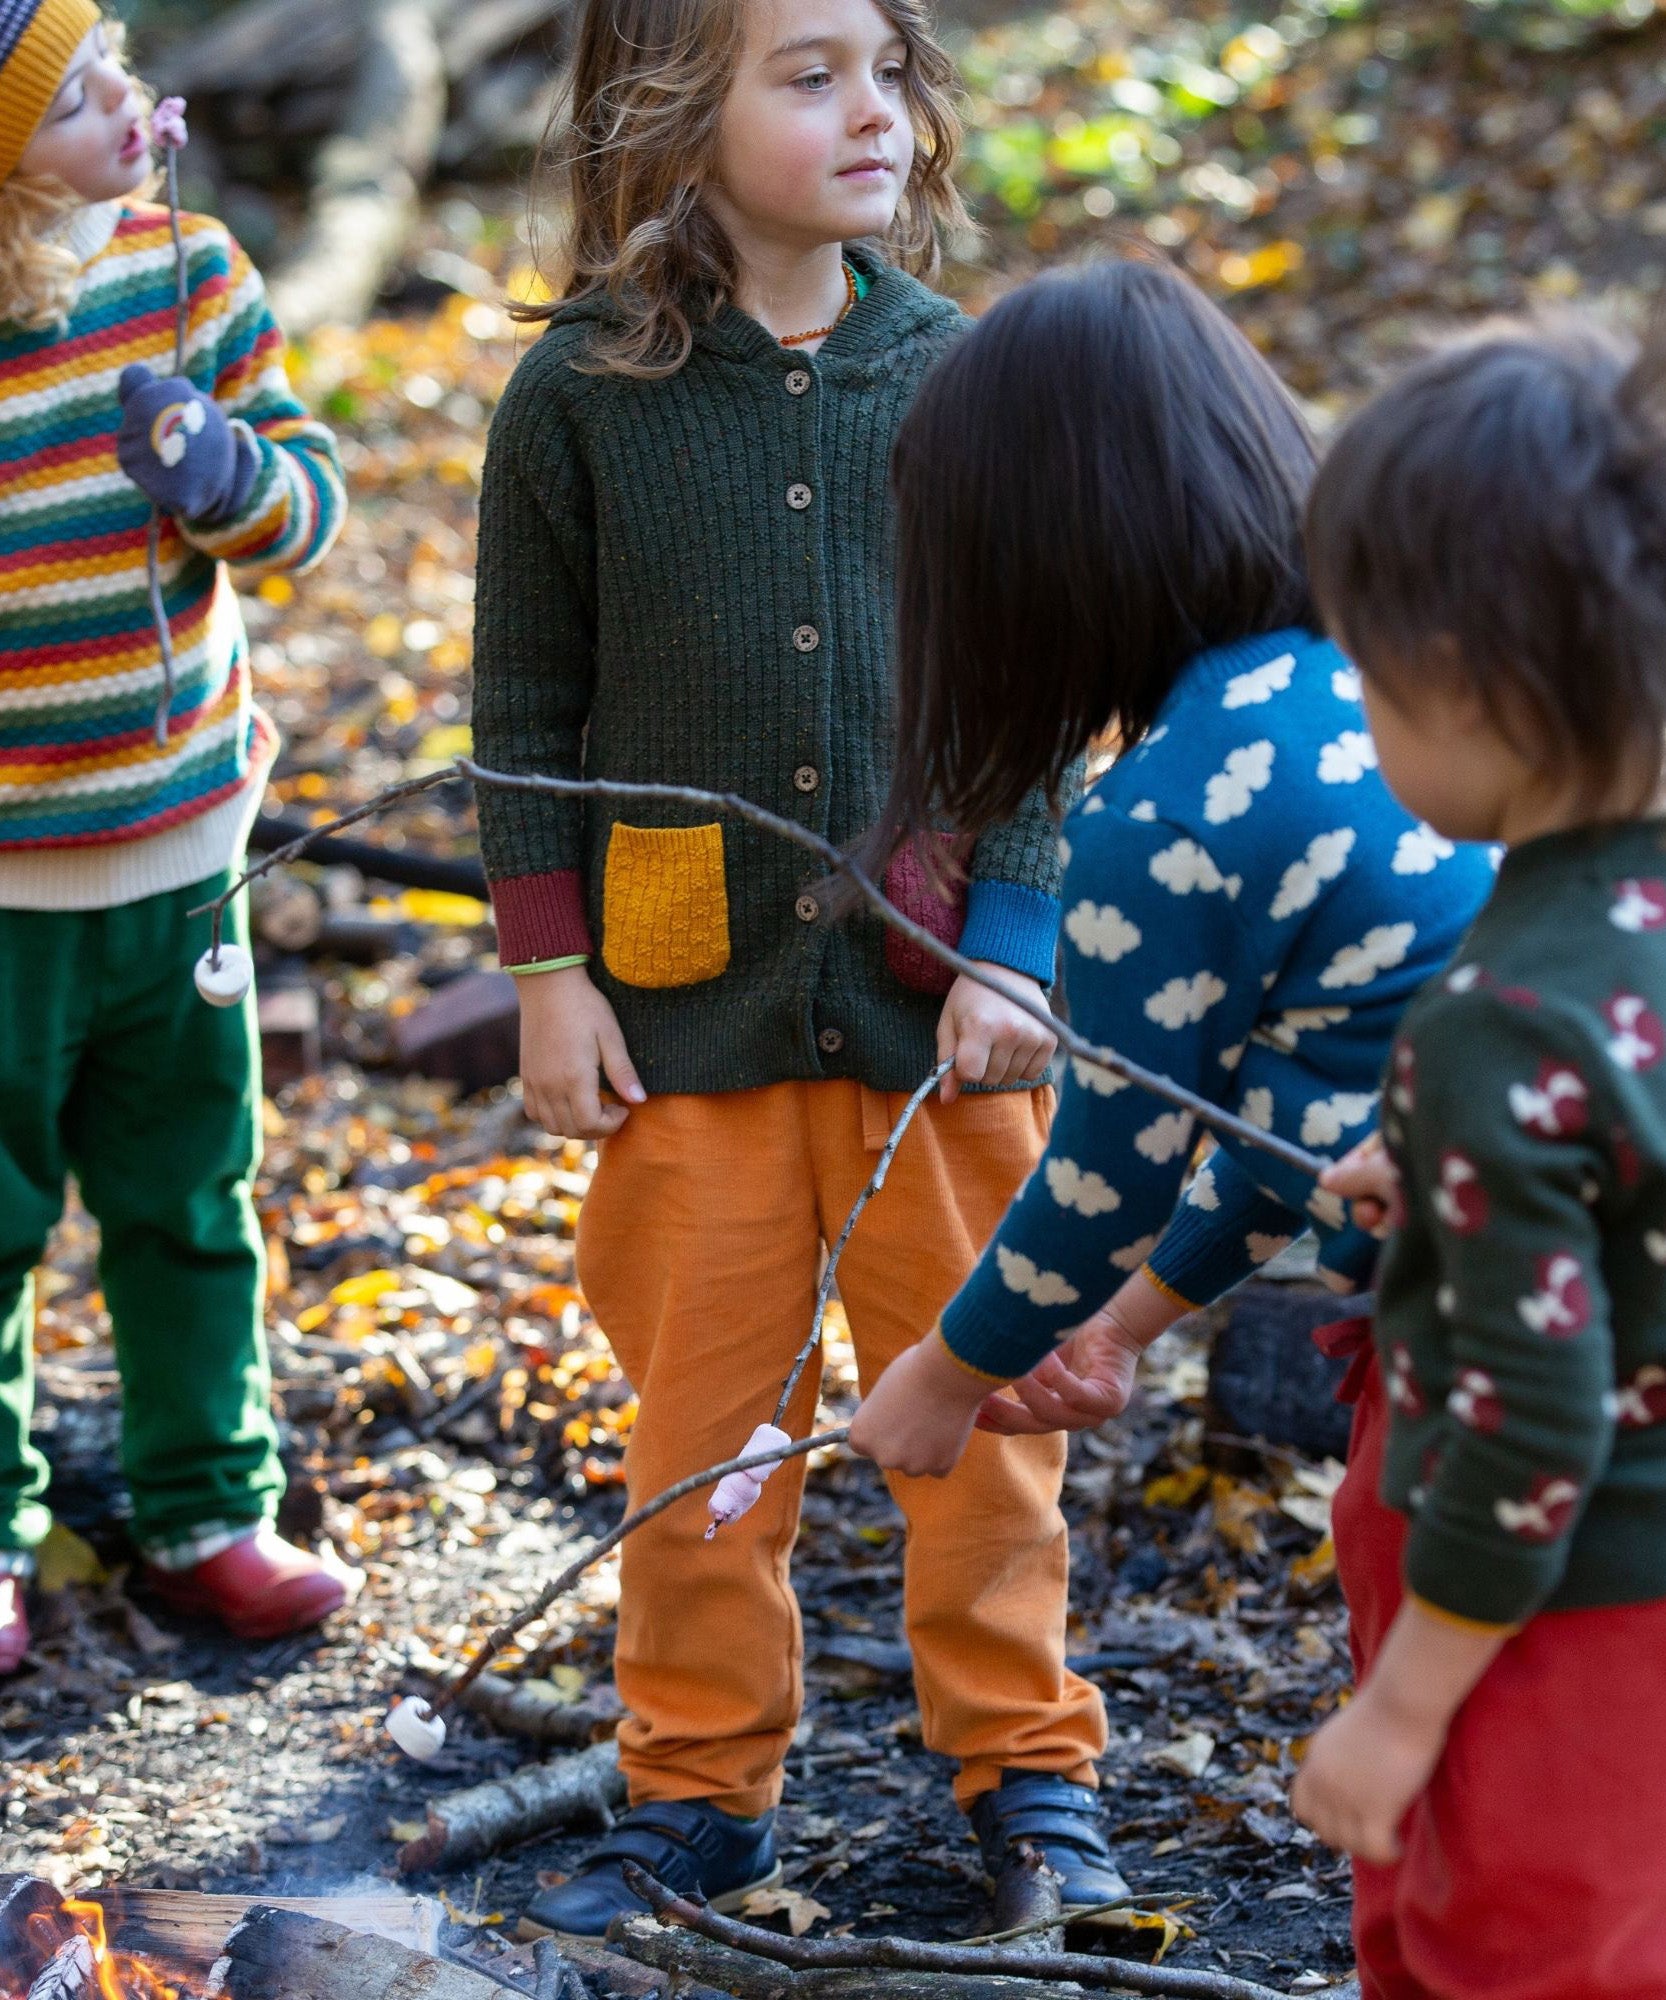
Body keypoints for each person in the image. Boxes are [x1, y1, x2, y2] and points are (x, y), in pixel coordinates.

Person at [471, 0, 1124, 1940]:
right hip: (687, 1022)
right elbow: (520, 707)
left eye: (885, 67)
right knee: (699, 1438)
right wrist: (545, 972)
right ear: (675, 112)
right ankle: (693, 1788)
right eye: (806, 71)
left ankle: (1027, 1773)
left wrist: (1012, 942)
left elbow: (1031, 695)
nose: (871, 109)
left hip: (942, 1029)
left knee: (982, 1418)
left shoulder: (965, 381)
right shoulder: (577, 395)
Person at [847, 259, 1491, 1479]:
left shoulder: (1169, 816)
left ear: (1024, 565)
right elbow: (1288, 1104)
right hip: (1575, 1236)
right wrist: (1125, 1318)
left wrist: (944, 1374)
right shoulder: (1376, 674)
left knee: (1452, 1629)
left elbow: (1110, 1167)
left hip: (1482, 1320)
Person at [1284, 320, 1666, 1999]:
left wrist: (1403, 1706)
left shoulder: (1504, 1019)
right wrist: (1435, 1173)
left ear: (1463, 676)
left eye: (1367, 675)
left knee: (1514, 1952)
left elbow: (1536, 1407)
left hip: (1553, 1618)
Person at [0, 3, 350, 1674]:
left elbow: (307, 508)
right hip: (3, 888)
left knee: (187, 1194)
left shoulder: (189, 269)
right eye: (75, 100)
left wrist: (221, 477)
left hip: (177, 843)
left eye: (122, 70)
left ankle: (213, 1508)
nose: (131, 108)